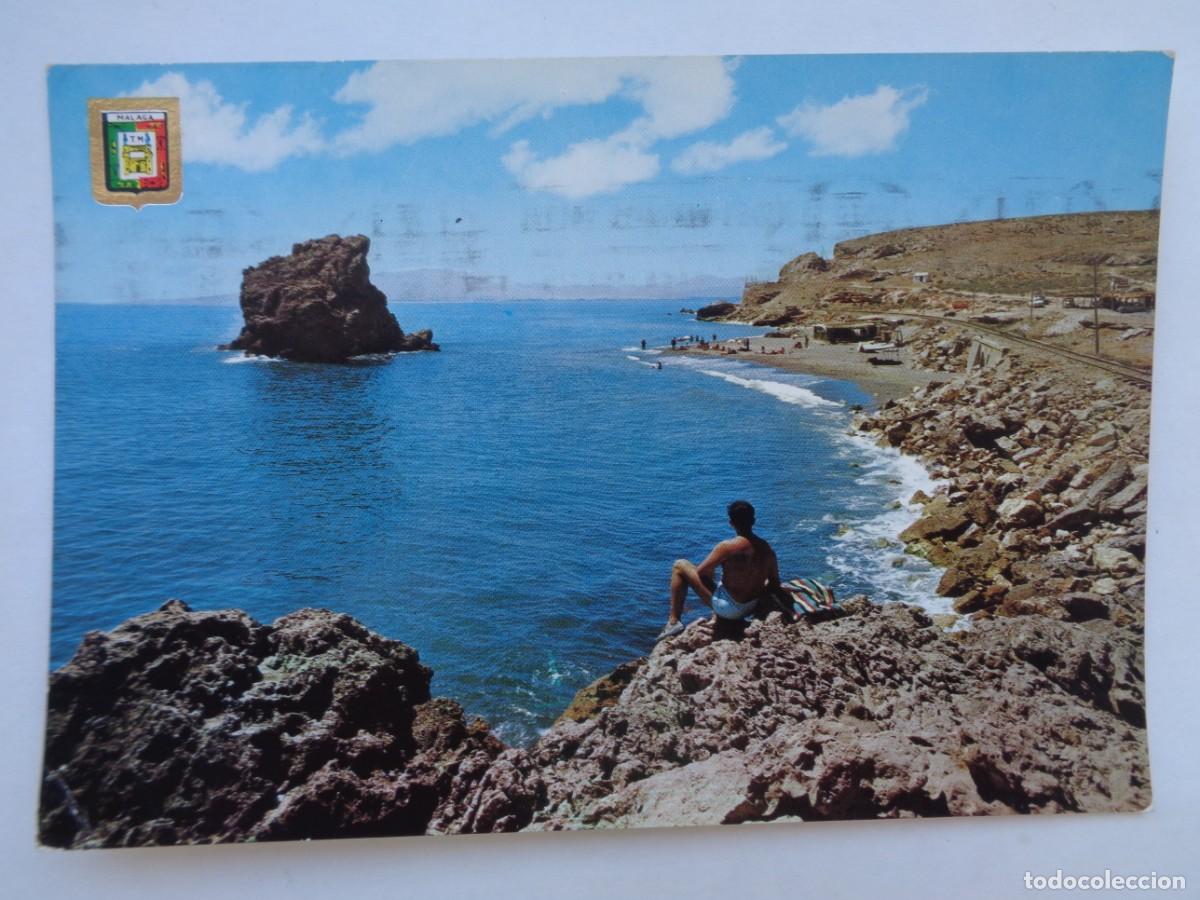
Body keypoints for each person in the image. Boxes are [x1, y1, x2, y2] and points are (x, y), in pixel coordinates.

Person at [658, 500, 785, 641]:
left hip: (728, 609)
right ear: (753, 521)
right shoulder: (767, 549)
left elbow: (701, 573)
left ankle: (673, 622)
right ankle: (720, 614)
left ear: (731, 523)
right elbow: (774, 584)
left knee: (680, 565)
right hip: (750, 607)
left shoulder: (727, 547)